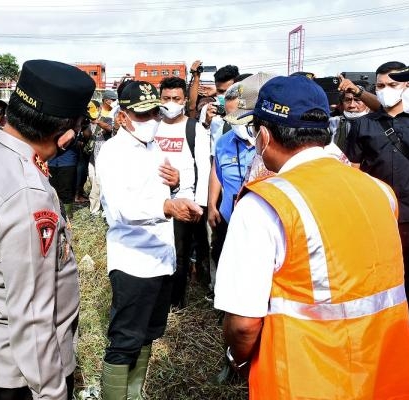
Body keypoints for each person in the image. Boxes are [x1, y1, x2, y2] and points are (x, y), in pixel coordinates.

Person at [214, 75, 409, 399]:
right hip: (384, 378)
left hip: (306, 382)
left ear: (263, 136)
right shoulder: (380, 192)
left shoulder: (265, 206)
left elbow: (244, 325)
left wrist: (236, 358)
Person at [0, 59, 95, 400]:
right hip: (22, 375)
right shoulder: (27, 193)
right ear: (64, 133)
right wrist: (51, 392)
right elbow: (32, 315)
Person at [96, 80, 203, 399]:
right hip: (133, 262)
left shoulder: (154, 146)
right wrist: (167, 206)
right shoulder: (113, 153)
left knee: (148, 334)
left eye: (153, 113)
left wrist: (177, 185)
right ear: (123, 116)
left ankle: (134, 393)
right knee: (125, 339)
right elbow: (120, 209)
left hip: (161, 259)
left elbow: (164, 191)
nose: (150, 121)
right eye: (141, 116)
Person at [345, 61, 409, 316]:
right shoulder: (364, 125)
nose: (386, 90)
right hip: (380, 218)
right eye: (381, 85)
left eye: (393, 85)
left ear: (406, 86)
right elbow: (353, 171)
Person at [208, 72, 275, 277]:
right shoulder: (224, 141)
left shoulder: (276, 146)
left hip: (265, 227)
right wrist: (212, 205)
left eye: (239, 117)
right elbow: (217, 172)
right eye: (230, 118)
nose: (234, 123)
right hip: (229, 221)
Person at [155, 76, 211, 309]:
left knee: (179, 254)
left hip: (184, 200)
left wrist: (200, 205)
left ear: (184, 99)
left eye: (176, 98)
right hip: (156, 202)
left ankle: (176, 302)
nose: (171, 103)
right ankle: (157, 297)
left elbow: (203, 168)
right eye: (166, 98)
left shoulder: (194, 129)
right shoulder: (153, 126)